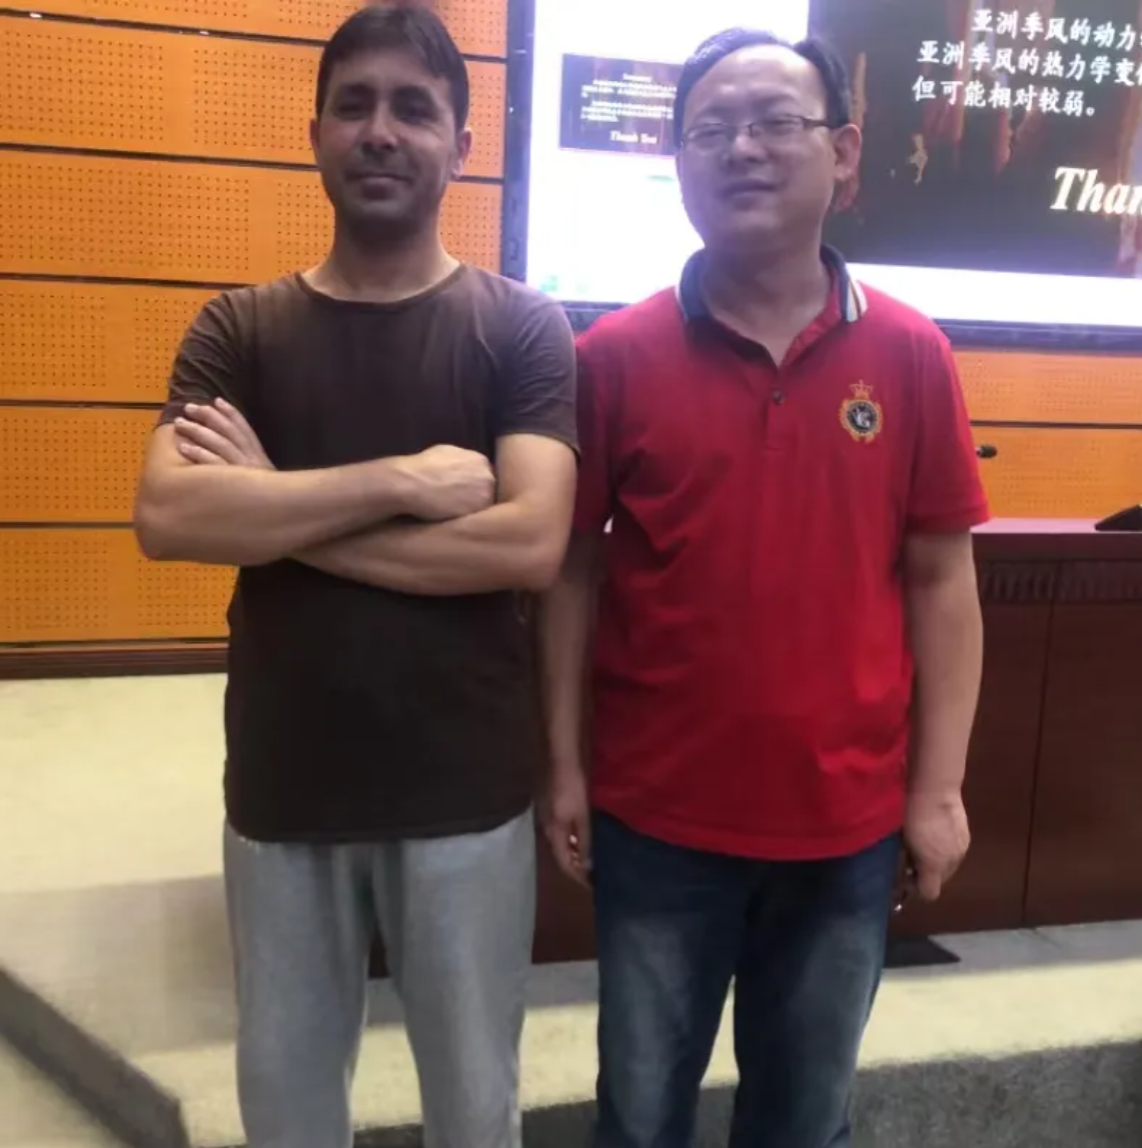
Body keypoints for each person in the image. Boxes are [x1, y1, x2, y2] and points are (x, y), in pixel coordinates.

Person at [133, 6, 578, 1148]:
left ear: (461, 146)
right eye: (355, 105)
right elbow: (169, 514)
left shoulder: (521, 328)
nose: (380, 130)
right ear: (317, 134)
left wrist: (275, 511)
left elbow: (528, 543)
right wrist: (402, 479)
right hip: (285, 793)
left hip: (466, 796)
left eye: (413, 109)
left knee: (475, 1111)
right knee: (286, 1112)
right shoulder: (239, 328)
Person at [539, 27, 988, 1148]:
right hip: (657, 821)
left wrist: (936, 791)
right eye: (710, 130)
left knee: (803, 1119)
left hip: (845, 829)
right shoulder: (613, 357)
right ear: (679, 163)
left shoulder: (912, 355)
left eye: (774, 123)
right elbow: (571, 573)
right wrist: (563, 767)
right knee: (640, 1115)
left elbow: (942, 581)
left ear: (843, 152)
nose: (741, 149)